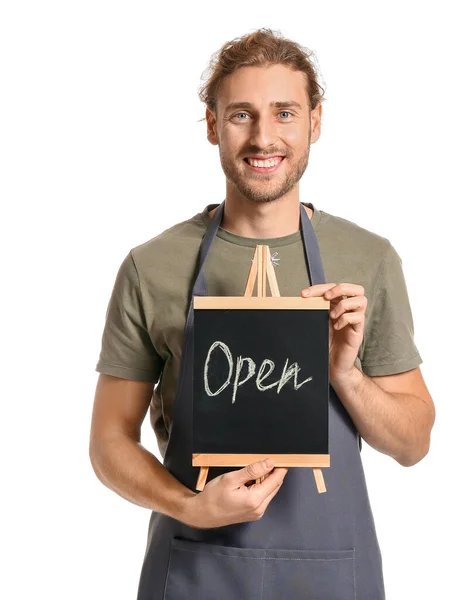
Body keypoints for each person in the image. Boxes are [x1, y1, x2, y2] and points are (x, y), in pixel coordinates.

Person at [90, 27, 435, 600]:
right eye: (242, 115)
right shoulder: (151, 267)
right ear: (211, 125)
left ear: (315, 122)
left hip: (332, 570)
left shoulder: (367, 259)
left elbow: (413, 443)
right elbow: (107, 442)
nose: (264, 137)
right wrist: (190, 507)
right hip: (197, 566)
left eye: (285, 113)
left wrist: (344, 373)